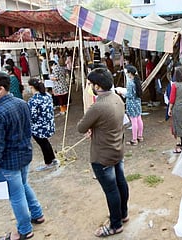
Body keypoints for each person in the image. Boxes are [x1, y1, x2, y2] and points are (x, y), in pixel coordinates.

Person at [0, 71, 44, 240]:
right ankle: (37, 213)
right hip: (24, 155)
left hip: (9, 162)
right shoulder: (21, 103)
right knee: (23, 185)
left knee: (16, 195)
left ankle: (24, 230)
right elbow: (28, 131)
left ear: (1, 89)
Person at [77, 67, 129, 237]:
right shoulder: (117, 98)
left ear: (98, 86)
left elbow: (81, 127)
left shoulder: (97, 106)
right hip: (117, 149)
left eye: (91, 84)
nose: (91, 87)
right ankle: (123, 214)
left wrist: (92, 126)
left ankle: (115, 225)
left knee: (111, 190)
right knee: (120, 183)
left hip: (102, 155)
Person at [26, 78, 59, 171]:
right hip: (48, 124)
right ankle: (52, 158)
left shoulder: (33, 100)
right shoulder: (47, 95)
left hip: (38, 127)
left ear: (31, 87)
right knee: (45, 142)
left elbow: (32, 116)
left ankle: (48, 162)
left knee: (43, 144)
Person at [123, 65, 144, 146]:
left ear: (130, 73)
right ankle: (140, 136)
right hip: (137, 102)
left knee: (133, 121)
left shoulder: (130, 83)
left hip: (131, 103)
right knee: (139, 119)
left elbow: (129, 95)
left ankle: (134, 139)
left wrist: (123, 93)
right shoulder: (137, 81)